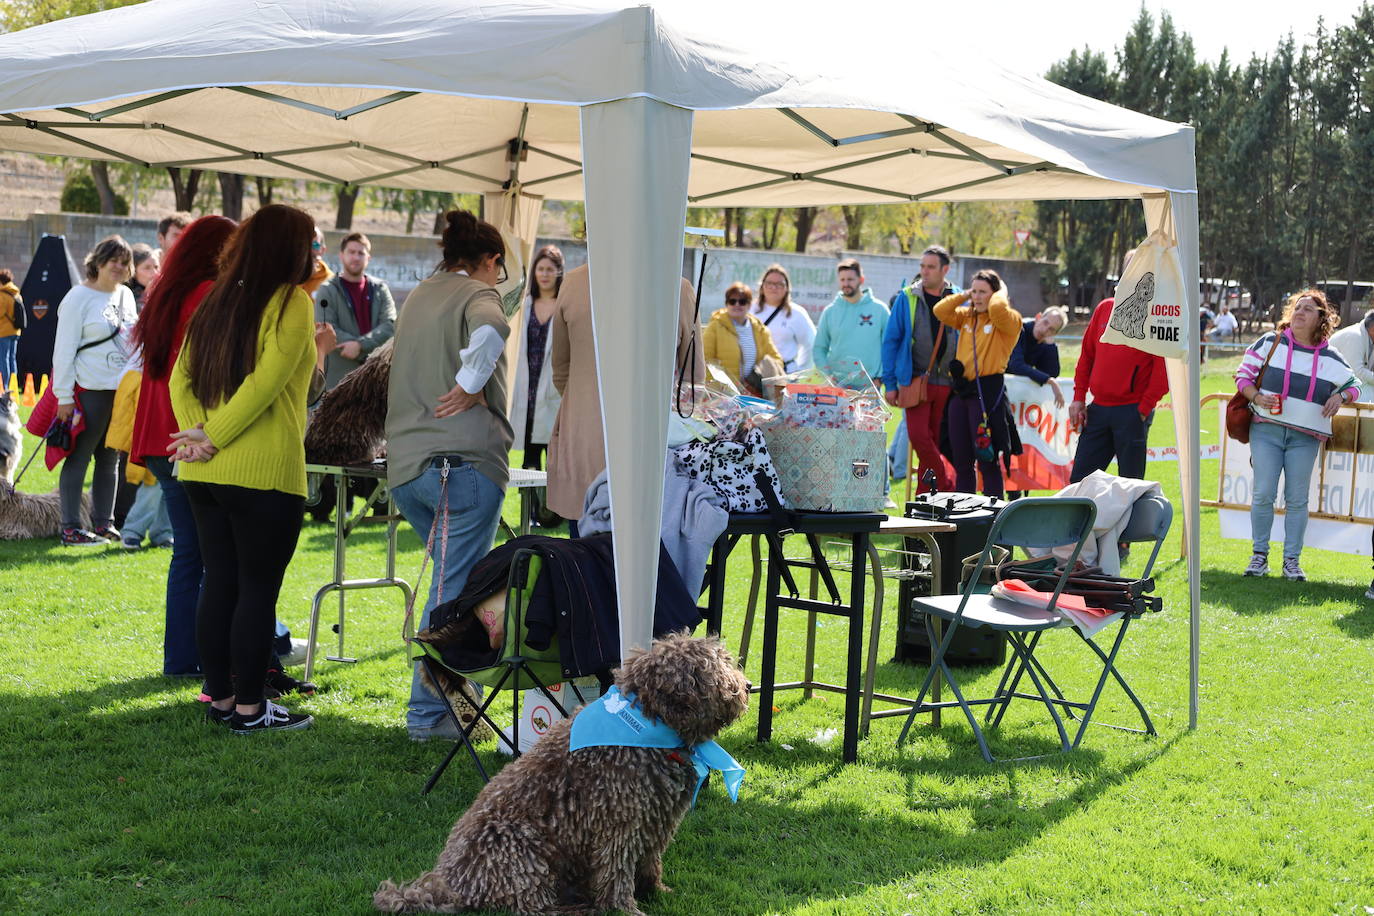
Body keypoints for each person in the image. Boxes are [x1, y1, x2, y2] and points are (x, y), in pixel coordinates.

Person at [169, 204, 319, 733]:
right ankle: (251, 708)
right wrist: (208, 436)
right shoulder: (292, 302)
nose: (318, 252)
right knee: (256, 591)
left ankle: (222, 700)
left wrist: (198, 437)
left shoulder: (215, 298)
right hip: (262, 472)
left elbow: (178, 381)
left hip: (203, 474)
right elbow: (267, 383)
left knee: (221, 585)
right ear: (292, 249)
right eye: (313, 243)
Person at [385, 209, 514, 742]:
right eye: (499, 272)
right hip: (460, 464)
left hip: (407, 467)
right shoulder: (476, 295)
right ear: (490, 262)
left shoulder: (418, 294)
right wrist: (468, 383)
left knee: (452, 584)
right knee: (453, 592)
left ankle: (460, 706)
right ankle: (430, 717)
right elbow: (493, 327)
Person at [131, 215, 237, 678]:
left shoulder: (165, 292)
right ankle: (196, 656)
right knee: (207, 552)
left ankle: (183, 657)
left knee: (191, 553)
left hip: (160, 430)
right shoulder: (204, 295)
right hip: (186, 433)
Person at [545, 263, 706, 535]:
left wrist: (584, 406)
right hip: (650, 449)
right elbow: (693, 383)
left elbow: (561, 370)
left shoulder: (574, 282)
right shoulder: (677, 288)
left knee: (584, 561)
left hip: (585, 443)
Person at [1234, 290, 1359, 581]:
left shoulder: (1330, 356)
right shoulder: (1270, 342)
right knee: (1263, 493)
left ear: (1321, 320)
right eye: (1296, 308)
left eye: (1308, 310)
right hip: (1266, 429)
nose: (1299, 313)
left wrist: (1341, 396)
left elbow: (1354, 385)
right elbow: (1243, 376)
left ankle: (1292, 561)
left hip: (1305, 437)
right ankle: (1259, 556)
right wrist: (1256, 397)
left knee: (1297, 498)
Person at [52, 235, 138, 546]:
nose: (119, 266)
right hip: (89, 390)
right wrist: (63, 397)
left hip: (121, 391)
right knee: (79, 457)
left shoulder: (127, 296)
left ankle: (104, 523)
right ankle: (71, 527)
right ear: (98, 261)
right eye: (113, 259)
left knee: (110, 459)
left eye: (124, 261)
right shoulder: (78, 298)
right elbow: (63, 351)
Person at [1068, 265, 1170, 484]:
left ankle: (1129, 521)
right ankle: (1085, 520)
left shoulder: (1157, 315)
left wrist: (1142, 410)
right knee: (1079, 482)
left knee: (1130, 485)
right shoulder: (1104, 309)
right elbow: (1086, 356)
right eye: (1131, 268)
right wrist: (1078, 398)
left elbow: (1164, 371)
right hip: (1098, 410)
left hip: (1132, 411)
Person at [933, 268, 1022, 497]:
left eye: (984, 292)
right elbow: (940, 310)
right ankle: (965, 513)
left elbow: (997, 309)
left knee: (987, 459)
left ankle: (993, 514)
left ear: (996, 294)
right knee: (962, 460)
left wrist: (999, 293)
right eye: (975, 292)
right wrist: (965, 294)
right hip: (962, 392)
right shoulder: (967, 316)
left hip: (987, 394)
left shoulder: (1009, 320)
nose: (978, 297)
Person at [881, 246, 960, 493]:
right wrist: (891, 384)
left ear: (945, 269)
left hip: (948, 383)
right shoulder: (907, 297)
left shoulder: (957, 297)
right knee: (918, 437)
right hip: (913, 380)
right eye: (922, 266)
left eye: (930, 266)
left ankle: (925, 500)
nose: (924, 271)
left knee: (935, 441)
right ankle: (947, 481)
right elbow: (890, 342)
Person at [312, 231, 397, 390]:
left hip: (374, 377)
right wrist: (357, 345)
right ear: (341, 255)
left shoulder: (380, 289)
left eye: (361, 253)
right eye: (351, 252)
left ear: (368, 258)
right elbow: (326, 327)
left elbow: (390, 324)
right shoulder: (327, 290)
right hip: (338, 380)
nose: (356, 257)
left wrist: (360, 345)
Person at [508, 244, 564, 471]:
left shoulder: (564, 306)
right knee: (529, 466)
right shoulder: (524, 306)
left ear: (559, 272)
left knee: (556, 467)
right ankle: (530, 507)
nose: (544, 274)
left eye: (550, 269)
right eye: (540, 269)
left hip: (552, 391)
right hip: (528, 390)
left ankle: (550, 509)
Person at [812, 258, 888, 387]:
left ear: (861, 280)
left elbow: (889, 346)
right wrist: (828, 376)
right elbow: (819, 348)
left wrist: (880, 377)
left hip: (870, 385)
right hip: (837, 386)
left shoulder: (880, 310)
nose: (846, 284)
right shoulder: (830, 312)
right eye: (842, 280)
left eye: (850, 279)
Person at [703, 282, 784, 395]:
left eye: (742, 301)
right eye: (732, 301)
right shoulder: (715, 327)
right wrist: (716, 389)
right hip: (724, 394)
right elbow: (705, 360)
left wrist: (762, 373)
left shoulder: (760, 329)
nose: (737, 305)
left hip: (755, 394)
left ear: (749, 305)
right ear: (726, 304)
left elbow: (776, 359)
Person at [752, 264, 815, 373]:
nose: (774, 287)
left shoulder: (796, 313)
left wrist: (801, 370)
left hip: (784, 373)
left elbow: (811, 343)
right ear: (762, 287)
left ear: (787, 288)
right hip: (752, 374)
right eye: (769, 283)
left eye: (779, 284)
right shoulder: (749, 309)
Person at [0, 268, 20, 392]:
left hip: (3, 332)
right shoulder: (16, 293)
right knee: (12, 358)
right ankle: (13, 385)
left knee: (3, 358)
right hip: (16, 331)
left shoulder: (2, 295)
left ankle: (5, 386)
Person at [126, 244, 160, 312]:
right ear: (134, 271)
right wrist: (145, 295)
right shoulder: (125, 294)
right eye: (147, 268)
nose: (155, 273)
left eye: (156, 267)